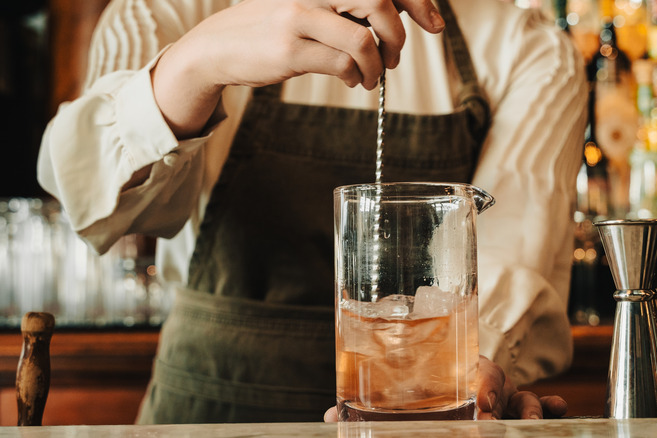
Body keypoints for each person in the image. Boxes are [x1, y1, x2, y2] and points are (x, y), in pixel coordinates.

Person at [38, 0, 587, 424]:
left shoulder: (528, 45)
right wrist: (196, 63)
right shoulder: (164, 11)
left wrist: (466, 378)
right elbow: (94, 204)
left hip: (415, 417)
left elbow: (513, 248)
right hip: (206, 414)